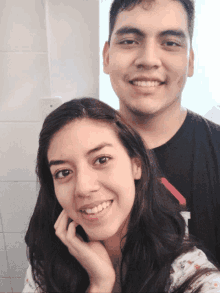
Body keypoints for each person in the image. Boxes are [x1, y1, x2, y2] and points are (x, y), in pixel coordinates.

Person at [22, 97, 220, 293]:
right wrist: (100, 284)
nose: (83, 188)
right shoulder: (45, 268)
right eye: (63, 172)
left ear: (136, 166)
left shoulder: (187, 272)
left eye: (101, 160)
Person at [102, 0, 220, 265]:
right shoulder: (74, 154)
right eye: (130, 41)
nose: (148, 60)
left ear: (189, 62)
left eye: (170, 43)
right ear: (107, 57)